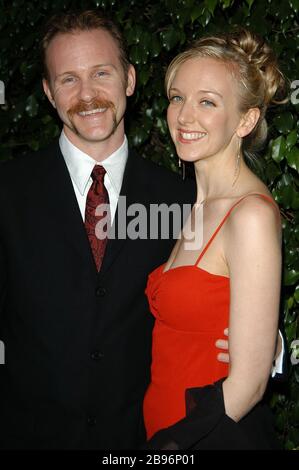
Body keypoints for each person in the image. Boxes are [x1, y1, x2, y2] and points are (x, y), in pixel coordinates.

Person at [0, 11, 283, 450]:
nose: (88, 94)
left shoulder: (177, 198)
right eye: (68, 79)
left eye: (101, 73)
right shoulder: (7, 192)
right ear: (47, 92)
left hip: (148, 441)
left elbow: (222, 285)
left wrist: (266, 346)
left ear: (130, 80)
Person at [143, 29, 286, 449]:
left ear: (246, 120)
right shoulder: (188, 203)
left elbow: (247, 387)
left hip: (205, 439)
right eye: (177, 98)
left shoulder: (251, 216)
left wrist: (168, 449)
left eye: (207, 102)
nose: (185, 117)